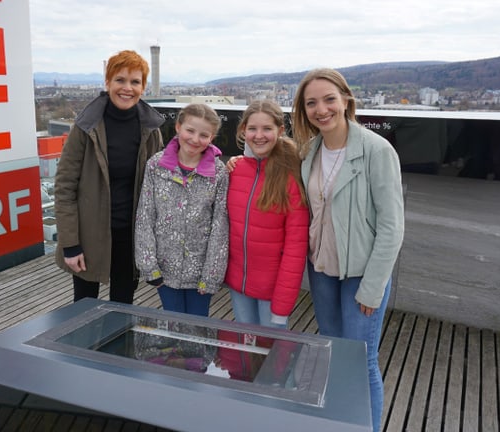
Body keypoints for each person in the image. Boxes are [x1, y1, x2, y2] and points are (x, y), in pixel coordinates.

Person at [291, 68, 405, 432]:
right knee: (334, 355)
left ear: (346, 101)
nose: (321, 109)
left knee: (361, 360)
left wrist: (373, 286)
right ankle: (340, 423)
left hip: (362, 275)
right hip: (323, 271)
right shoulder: (309, 151)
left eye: (328, 100)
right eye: (311, 103)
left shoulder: (376, 150)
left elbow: (391, 226)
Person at [54, 50, 165, 304]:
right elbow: (64, 187)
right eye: (120, 80)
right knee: (84, 307)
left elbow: (163, 178)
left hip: (130, 236)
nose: (127, 88)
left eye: (135, 82)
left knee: (123, 307)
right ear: (107, 83)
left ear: (143, 87)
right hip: (90, 235)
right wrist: (71, 244)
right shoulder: (86, 127)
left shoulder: (150, 128)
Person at [134, 104, 229, 317]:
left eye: (204, 135)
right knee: (173, 325)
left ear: (212, 137)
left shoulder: (218, 172)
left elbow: (220, 226)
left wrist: (212, 274)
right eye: (190, 131)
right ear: (178, 127)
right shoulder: (156, 166)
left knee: (197, 326)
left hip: (201, 271)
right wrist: (149, 266)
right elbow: (145, 216)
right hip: (165, 269)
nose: (195, 139)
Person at [224, 100, 309, 328]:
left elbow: (295, 249)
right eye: (252, 129)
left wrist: (281, 308)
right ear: (243, 130)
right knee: (245, 348)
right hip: (238, 284)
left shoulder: (290, 177)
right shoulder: (235, 170)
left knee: (273, 358)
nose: (259, 135)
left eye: (267, 129)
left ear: (280, 131)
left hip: (272, 292)